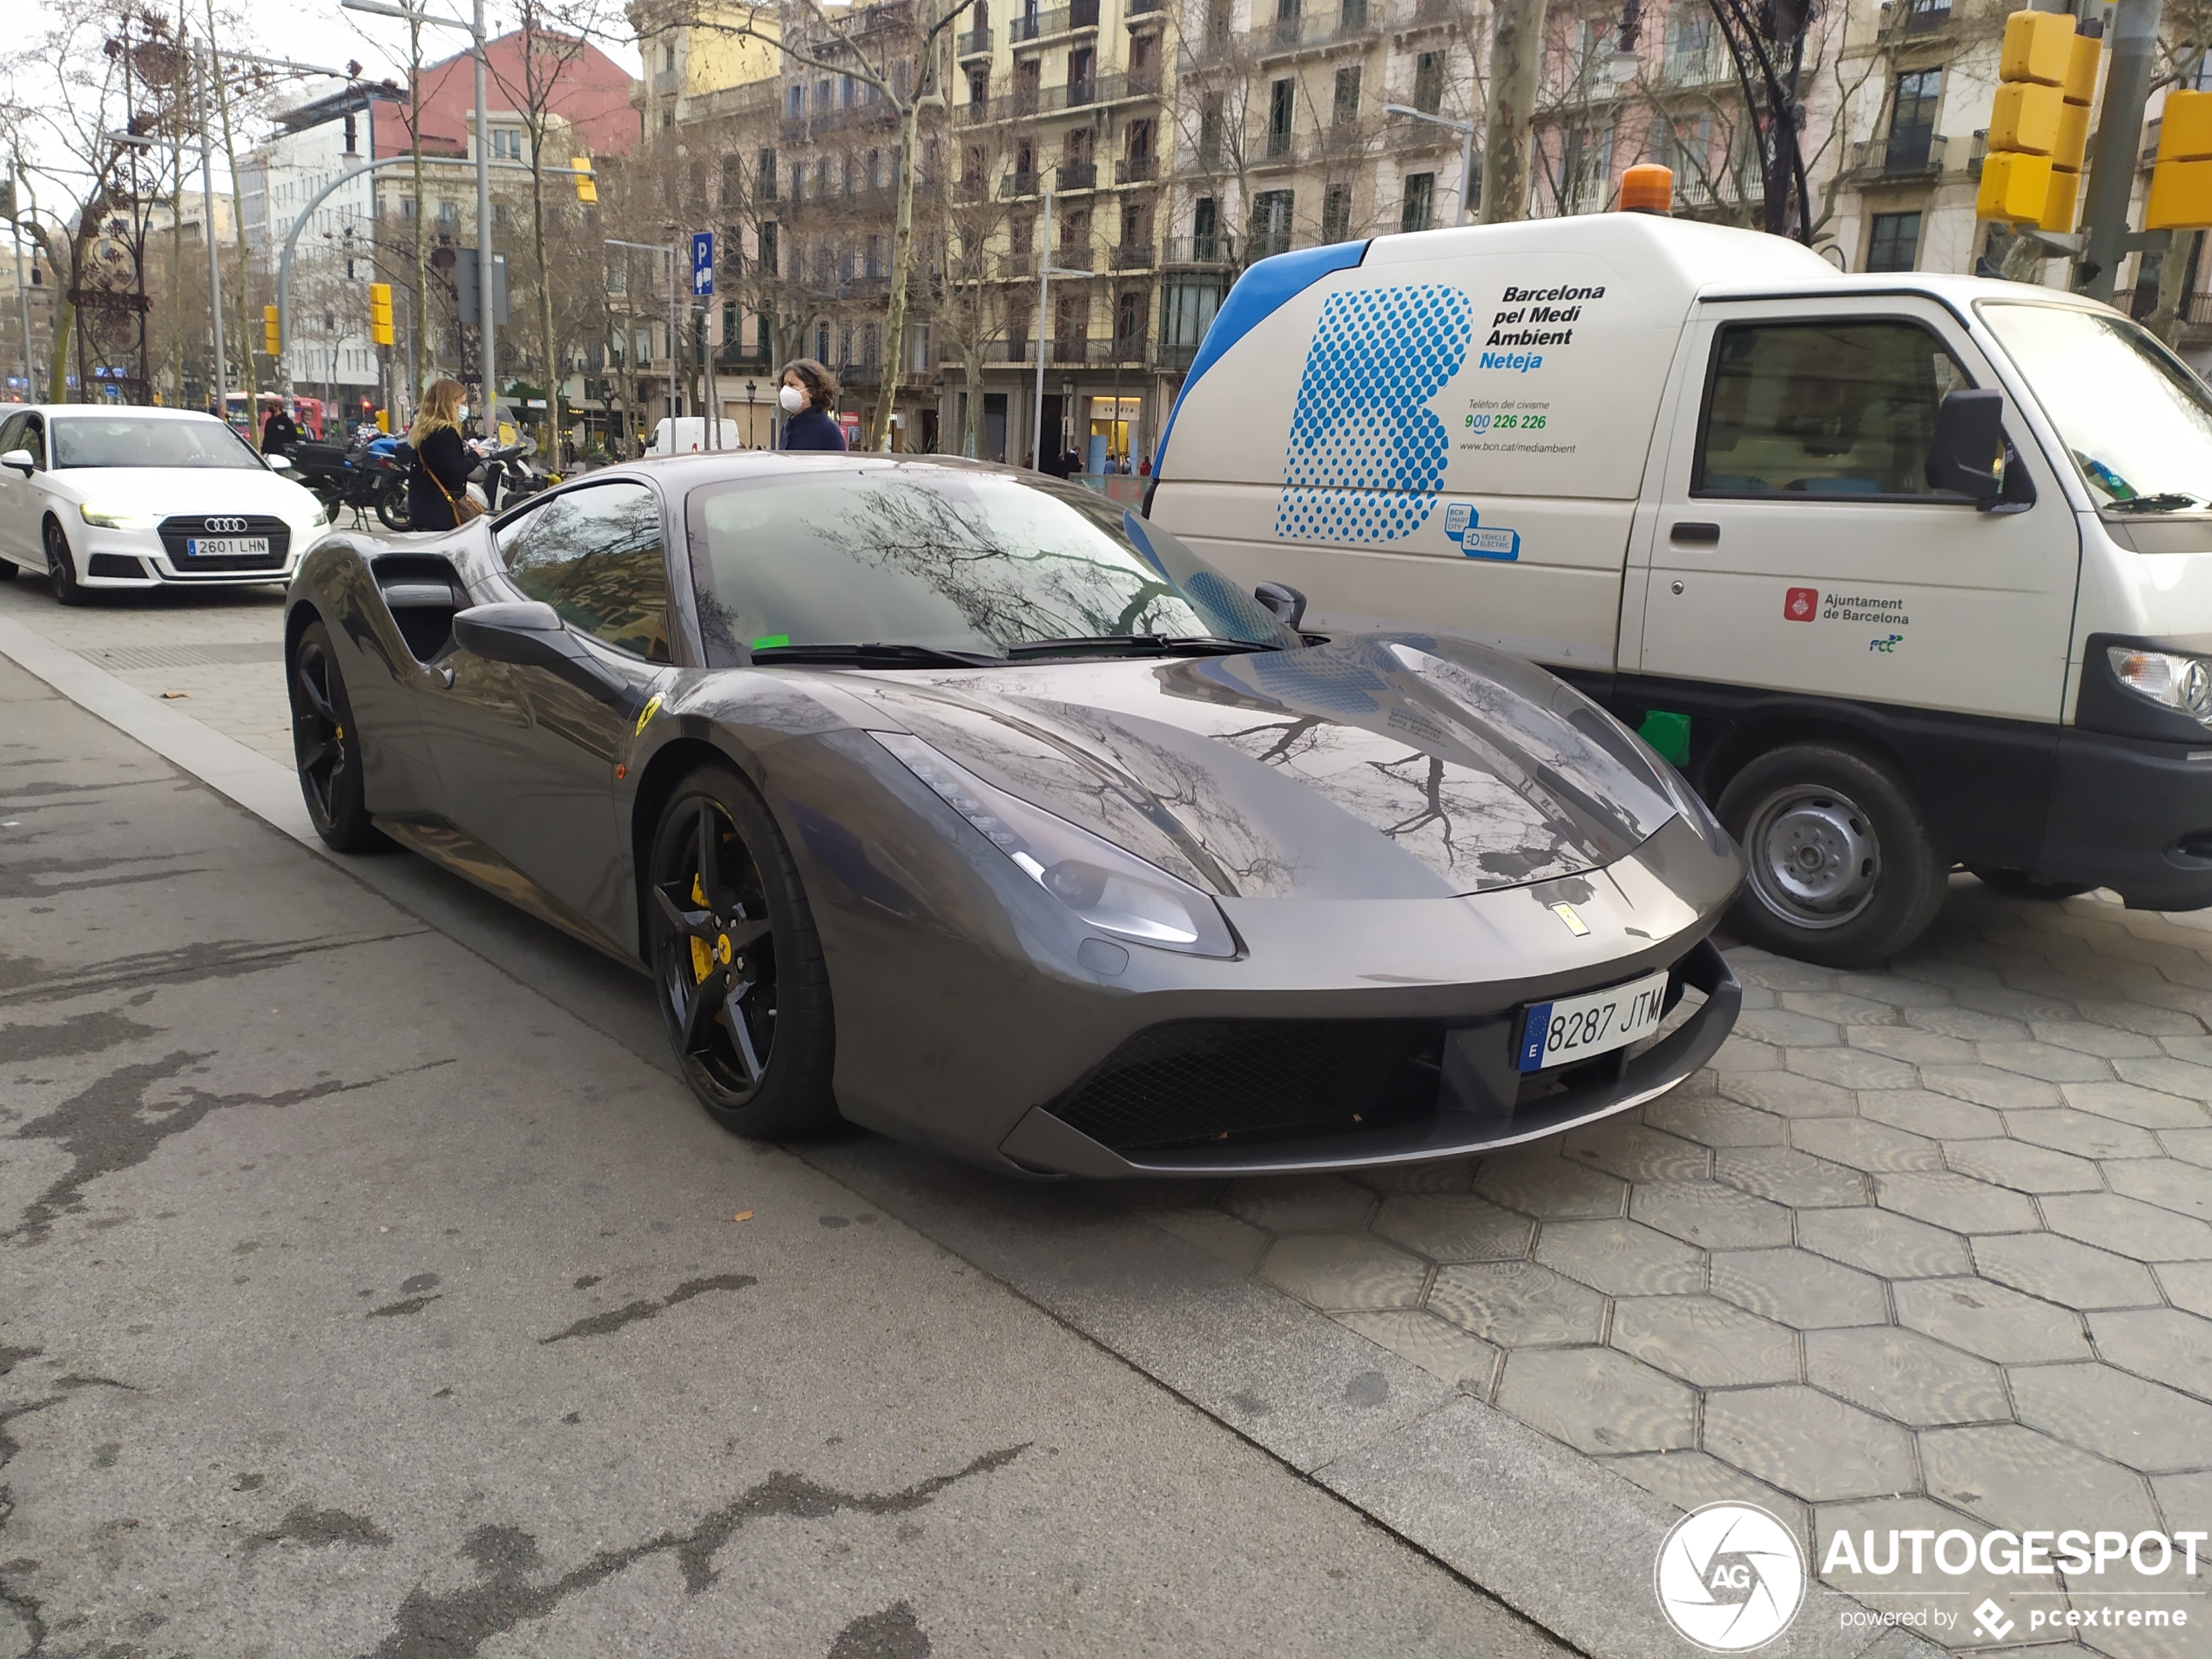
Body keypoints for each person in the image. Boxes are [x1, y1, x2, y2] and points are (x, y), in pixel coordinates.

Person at [406, 379, 477, 532]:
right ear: (449, 403)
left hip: (423, 510)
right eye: (462, 403)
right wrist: (475, 456)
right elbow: (454, 471)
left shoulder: (424, 430)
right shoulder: (445, 432)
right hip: (440, 515)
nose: (464, 408)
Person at [778, 359, 847, 451]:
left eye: (792, 385)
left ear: (811, 391)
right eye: (784, 384)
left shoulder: (828, 430)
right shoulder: (787, 426)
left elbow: (838, 463)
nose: (786, 389)